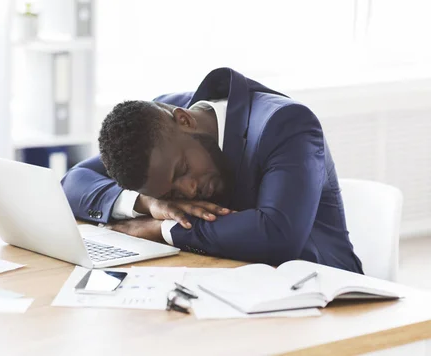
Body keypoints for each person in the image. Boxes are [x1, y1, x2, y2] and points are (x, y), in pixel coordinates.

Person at [61, 67, 363, 273]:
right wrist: (149, 203)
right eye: (171, 192)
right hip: (228, 284)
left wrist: (162, 228)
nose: (188, 190)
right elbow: (73, 181)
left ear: (185, 121)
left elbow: (278, 235)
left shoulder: (286, 124)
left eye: (182, 170)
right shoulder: (155, 127)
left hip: (322, 291)